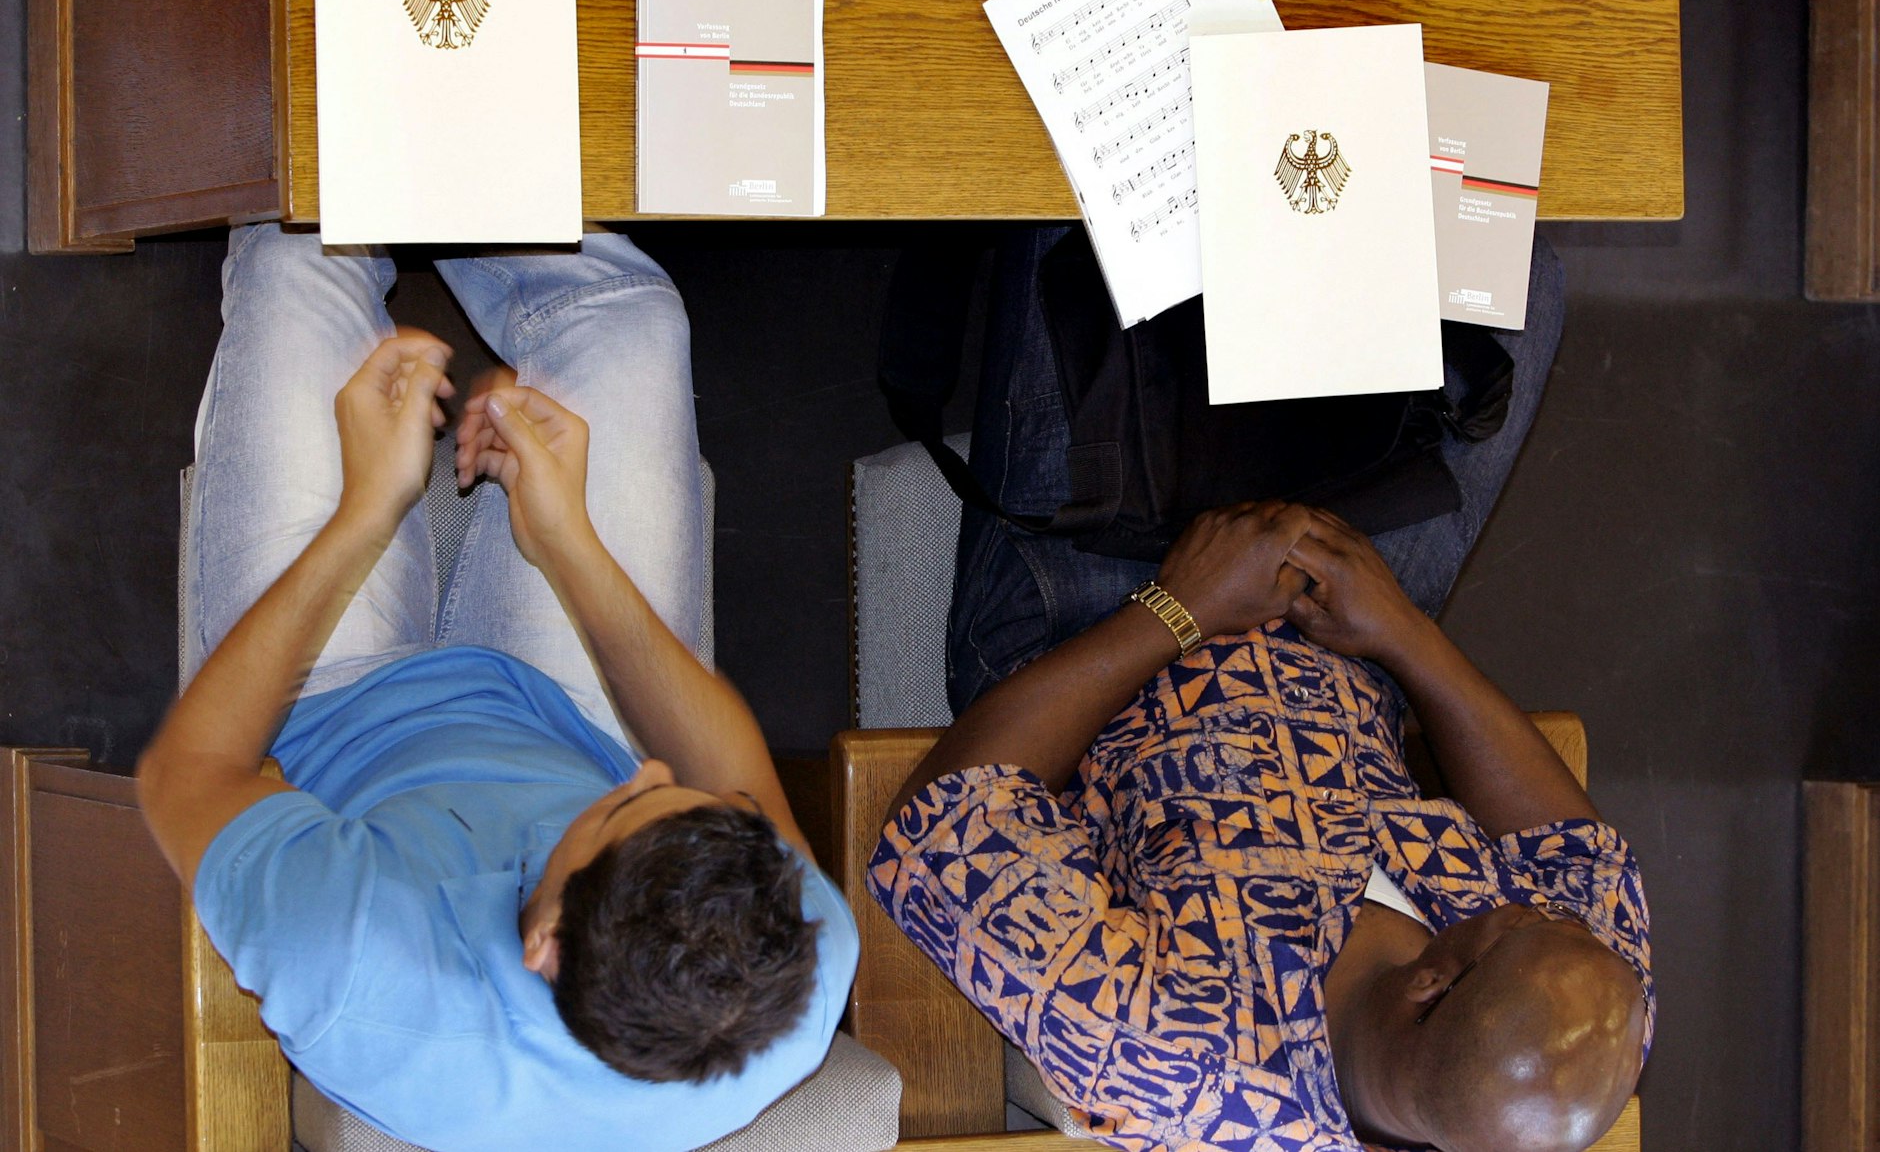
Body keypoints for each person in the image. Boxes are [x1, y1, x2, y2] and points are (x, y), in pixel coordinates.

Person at [869, 229, 1652, 1152]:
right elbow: (1577, 853)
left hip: (1098, 623)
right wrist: (1399, 630)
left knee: (1094, 223)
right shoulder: (1583, 1025)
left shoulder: (1172, 1054)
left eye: (1508, 921)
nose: (1531, 902)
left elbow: (940, 823)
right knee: (1503, 271)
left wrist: (1181, 605)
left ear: (1430, 983)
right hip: (1350, 618)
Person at [136, 225, 858, 1152]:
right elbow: (725, 762)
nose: (642, 772)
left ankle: (350, 149)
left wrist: (370, 507)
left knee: (297, 257)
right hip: (557, 709)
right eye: (671, 797)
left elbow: (189, 771)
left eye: (612, 813)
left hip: (321, 711)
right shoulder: (788, 962)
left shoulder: (364, 972)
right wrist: (565, 540)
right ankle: (458, 148)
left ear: (544, 942)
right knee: (632, 317)